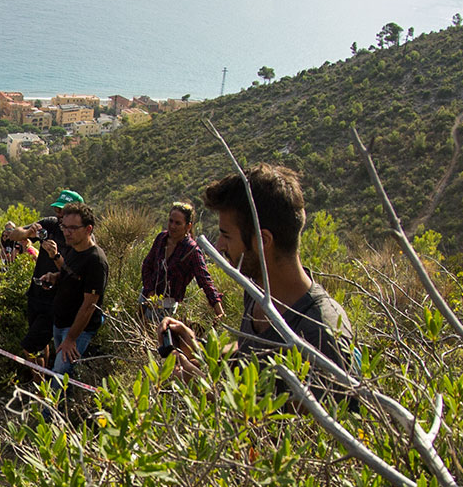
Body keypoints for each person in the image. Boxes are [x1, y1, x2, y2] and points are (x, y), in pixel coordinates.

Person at [162, 165, 355, 387]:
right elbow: (252, 353)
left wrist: (204, 389)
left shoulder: (322, 334)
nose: (219, 245)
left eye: (226, 235)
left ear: (262, 241)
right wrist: (202, 350)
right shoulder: (257, 292)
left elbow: (309, 420)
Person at [4, 191, 79, 364]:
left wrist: (55, 255)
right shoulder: (50, 224)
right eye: (57, 210)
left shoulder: (79, 238)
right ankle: (41, 383)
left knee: (29, 346)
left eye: (64, 211)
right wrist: (27, 233)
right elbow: (14, 234)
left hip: (57, 299)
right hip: (36, 294)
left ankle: (42, 386)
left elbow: (74, 273)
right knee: (39, 345)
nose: (59, 215)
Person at [139, 201, 225, 330]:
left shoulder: (191, 251)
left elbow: (205, 281)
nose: (173, 226)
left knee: (159, 340)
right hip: (146, 299)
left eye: (178, 223)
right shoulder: (161, 238)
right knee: (141, 333)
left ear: (188, 226)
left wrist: (219, 310)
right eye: (171, 221)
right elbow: (147, 264)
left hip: (166, 306)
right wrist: (149, 290)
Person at [44, 204, 108, 373]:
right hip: (60, 323)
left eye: (73, 228)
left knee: (60, 375)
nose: (67, 232)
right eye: (64, 227)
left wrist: (71, 338)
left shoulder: (96, 261)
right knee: (62, 372)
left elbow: (89, 305)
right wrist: (54, 277)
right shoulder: (74, 248)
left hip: (77, 330)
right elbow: (69, 274)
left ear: (88, 229)